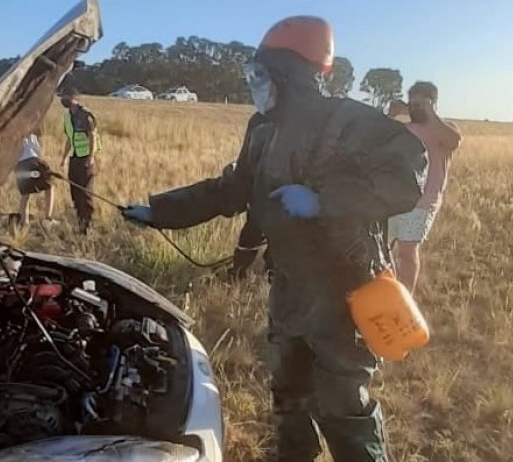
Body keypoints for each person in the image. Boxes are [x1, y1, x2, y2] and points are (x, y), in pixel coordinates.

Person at [121, 15, 428, 462]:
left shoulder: (350, 121)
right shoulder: (262, 130)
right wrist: (161, 211)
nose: (254, 83)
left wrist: (324, 200)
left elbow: (408, 178)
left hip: (347, 290)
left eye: (261, 73)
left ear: (292, 73)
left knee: (344, 406)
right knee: (289, 395)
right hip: (288, 289)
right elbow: (232, 188)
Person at [388, 81, 462, 294]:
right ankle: (389, 291)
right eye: (413, 104)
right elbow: (375, 140)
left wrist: (431, 115)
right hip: (395, 198)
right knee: (383, 247)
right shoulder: (404, 129)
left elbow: (454, 141)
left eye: (421, 104)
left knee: (407, 251)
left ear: (433, 103)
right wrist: (390, 115)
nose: (415, 109)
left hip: (423, 202)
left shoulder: (445, 128)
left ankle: (405, 299)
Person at [59, 88, 100, 235]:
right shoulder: (66, 116)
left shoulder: (86, 115)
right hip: (74, 157)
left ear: (74, 97)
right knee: (75, 191)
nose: (62, 99)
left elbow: (92, 136)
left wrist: (91, 157)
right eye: (62, 96)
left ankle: (87, 225)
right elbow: (69, 138)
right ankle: (79, 222)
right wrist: (64, 158)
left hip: (85, 159)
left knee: (85, 192)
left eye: (65, 96)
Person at [14, 126, 57, 227]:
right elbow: (38, 150)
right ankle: (48, 219)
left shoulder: (13, 133)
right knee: (50, 186)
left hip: (20, 165)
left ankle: (24, 223)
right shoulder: (32, 132)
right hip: (33, 161)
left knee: (25, 194)